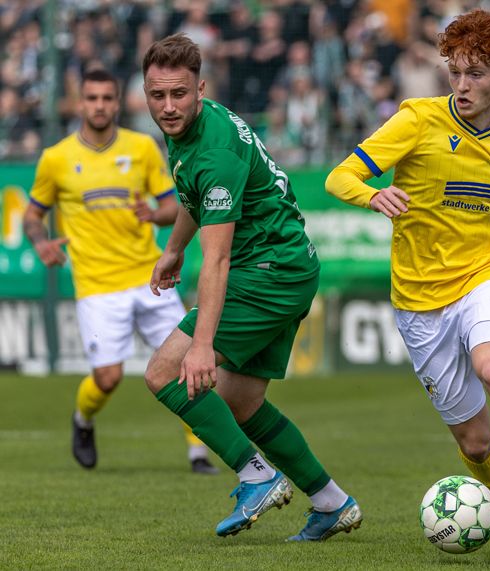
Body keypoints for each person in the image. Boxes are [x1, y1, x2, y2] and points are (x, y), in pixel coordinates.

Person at [326, 9, 490, 553]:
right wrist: (372, 194)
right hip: (419, 300)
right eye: (455, 73)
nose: (463, 85)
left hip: (487, 276)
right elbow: (340, 175)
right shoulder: (416, 120)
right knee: (474, 443)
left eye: (477, 73)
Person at [140, 33, 362, 540]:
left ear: (200, 89)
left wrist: (201, 347)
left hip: (266, 272)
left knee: (164, 373)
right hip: (287, 266)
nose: (169, 107)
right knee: (240, 404)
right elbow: (191, 196)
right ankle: (331, 502)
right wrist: (174, 248)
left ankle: (256, 475)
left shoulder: (214, 152)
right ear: (146, 92)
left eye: (178, 95)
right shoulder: (196, 124)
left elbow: (216, 260)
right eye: (158, 96)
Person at [23, 67, 217, 475]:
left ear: (117, 102)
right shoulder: (56, 159)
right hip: (97, 285)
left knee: (184, 364)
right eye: (91, 98)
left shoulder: (142, 147)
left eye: (107, 98)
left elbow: (174, 207)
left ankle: (198, 453)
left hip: (150, 279)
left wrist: (154, 213)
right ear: (81, 103)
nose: (99, 106)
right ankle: (83, 420)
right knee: (108, 377)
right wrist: (41, 242)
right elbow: (33, 215)